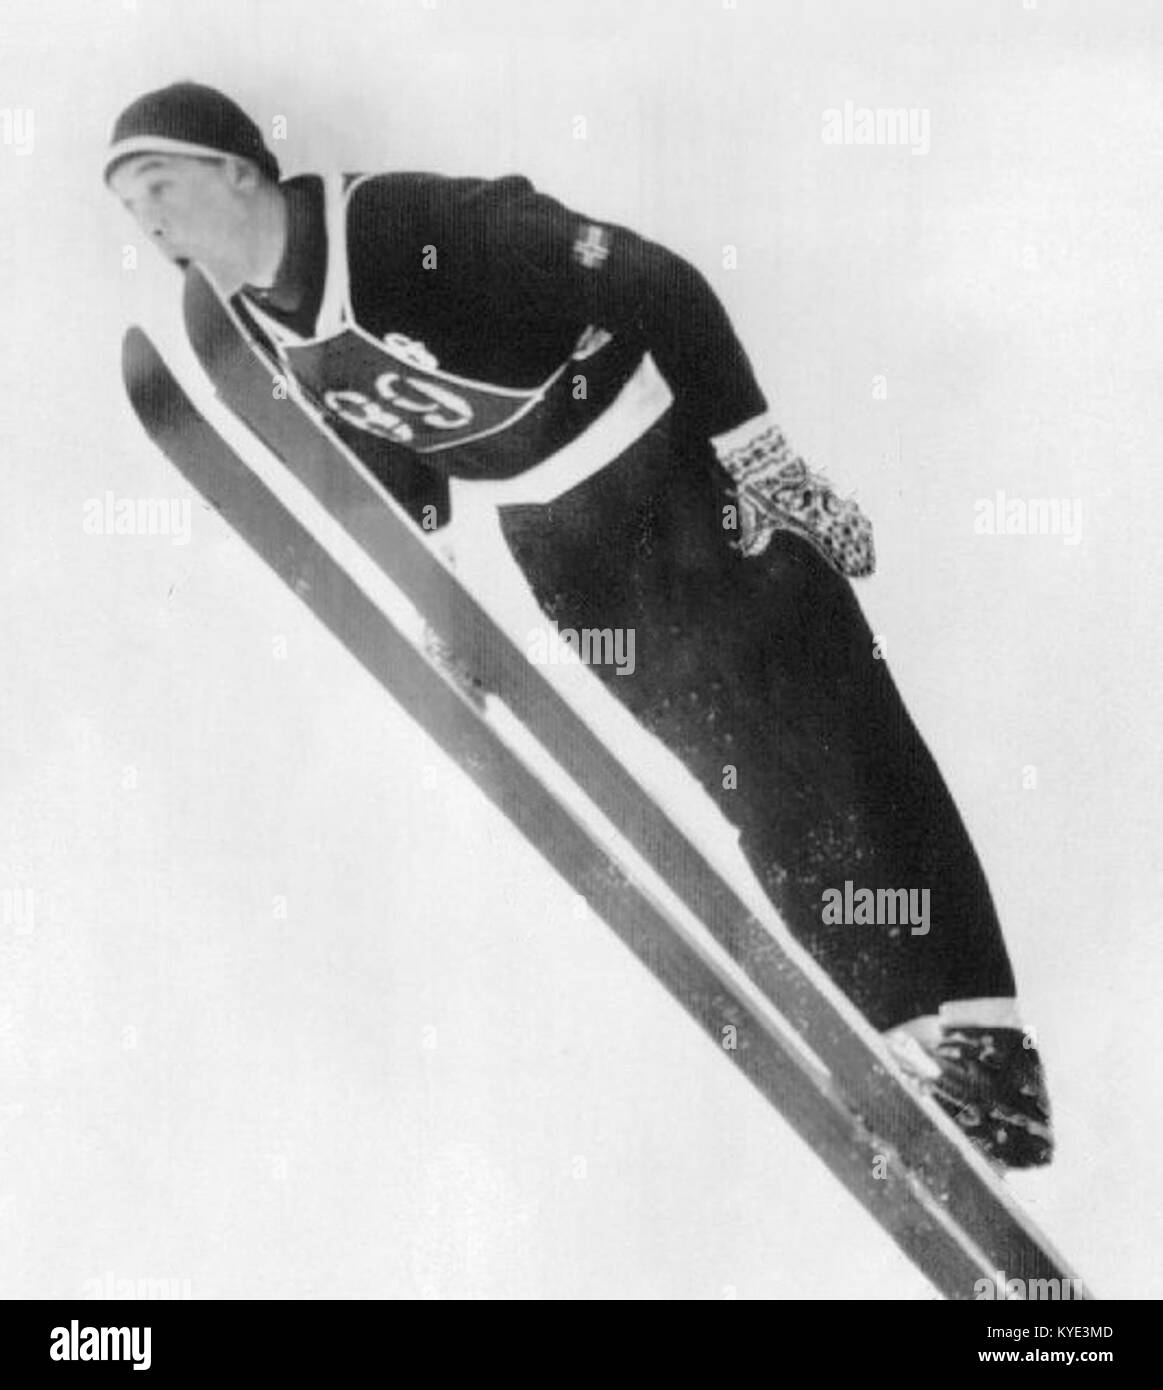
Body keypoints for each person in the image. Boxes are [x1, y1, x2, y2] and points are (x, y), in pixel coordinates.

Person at [105, 82, 1053, 1167]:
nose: (148, 216)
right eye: (129, 203)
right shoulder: (229, 319)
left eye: (159, 182)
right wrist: (433, 593)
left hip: (673, 473)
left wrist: (759, 453)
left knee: (834, 735)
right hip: (564, 553)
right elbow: (392, 450)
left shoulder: (399, 224)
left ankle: (986, 1038)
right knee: (750, 787)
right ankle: (908, 1043)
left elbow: (651, 278)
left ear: (239, 170)